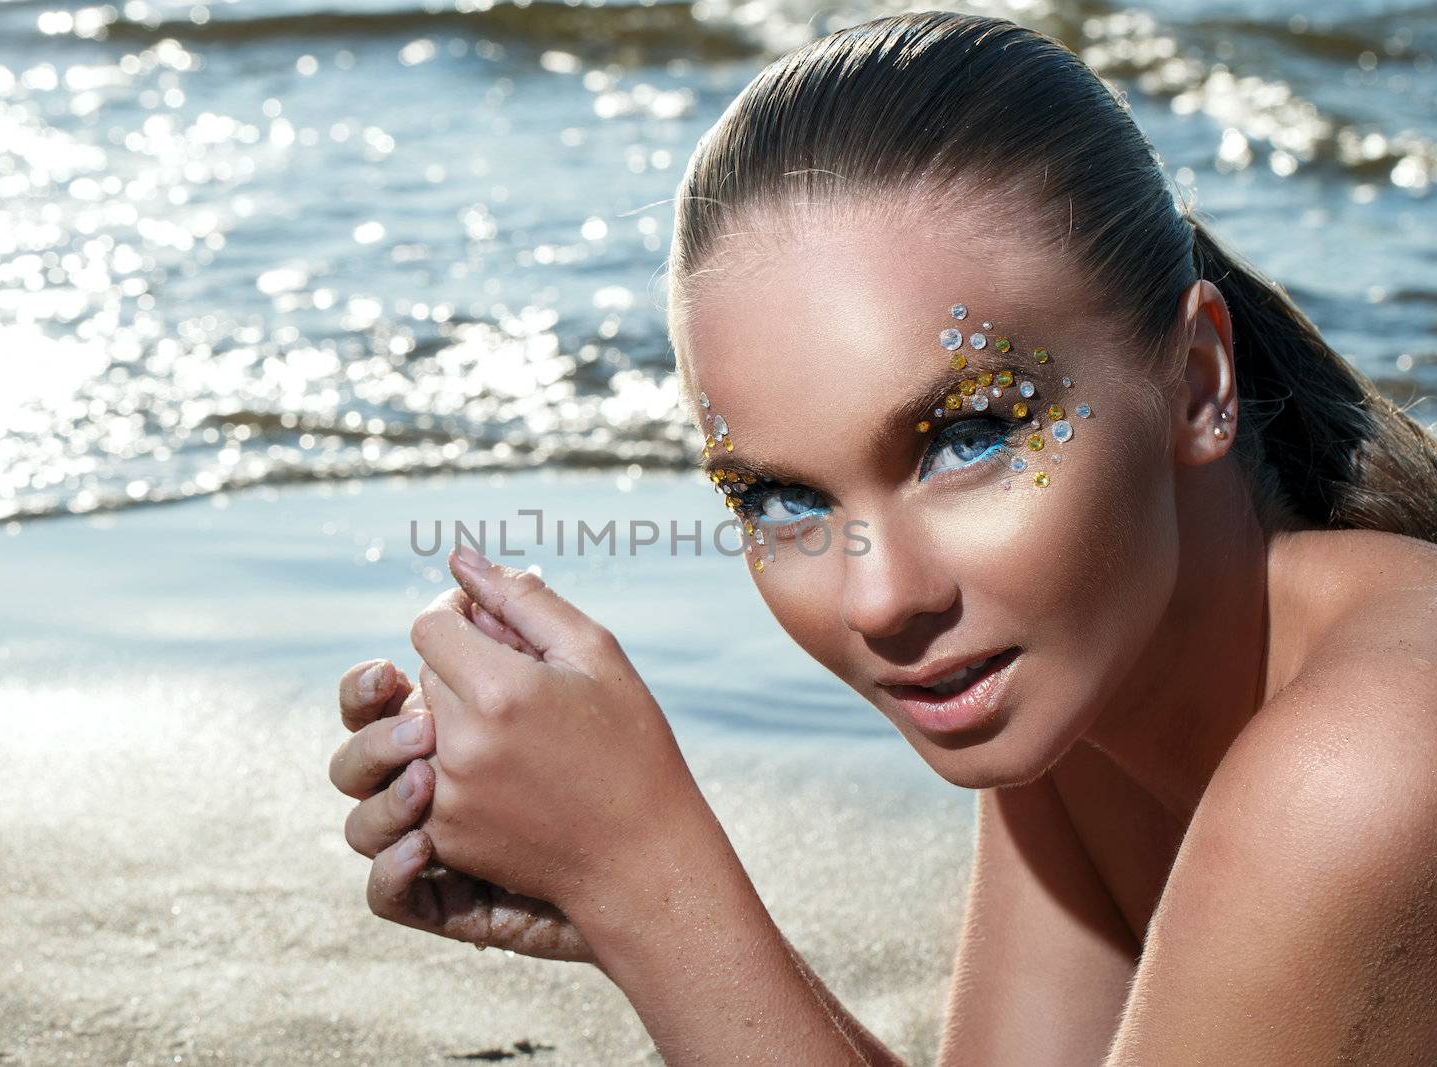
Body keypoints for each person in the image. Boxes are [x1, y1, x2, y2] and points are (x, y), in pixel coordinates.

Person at [327, 11, 1437, 1064]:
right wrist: (606, 892)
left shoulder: (1376, 750)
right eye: (782, 499)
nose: (880, 600)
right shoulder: (1071, 681)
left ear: (1197, 380)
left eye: (966, 438)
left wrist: (652, 882)